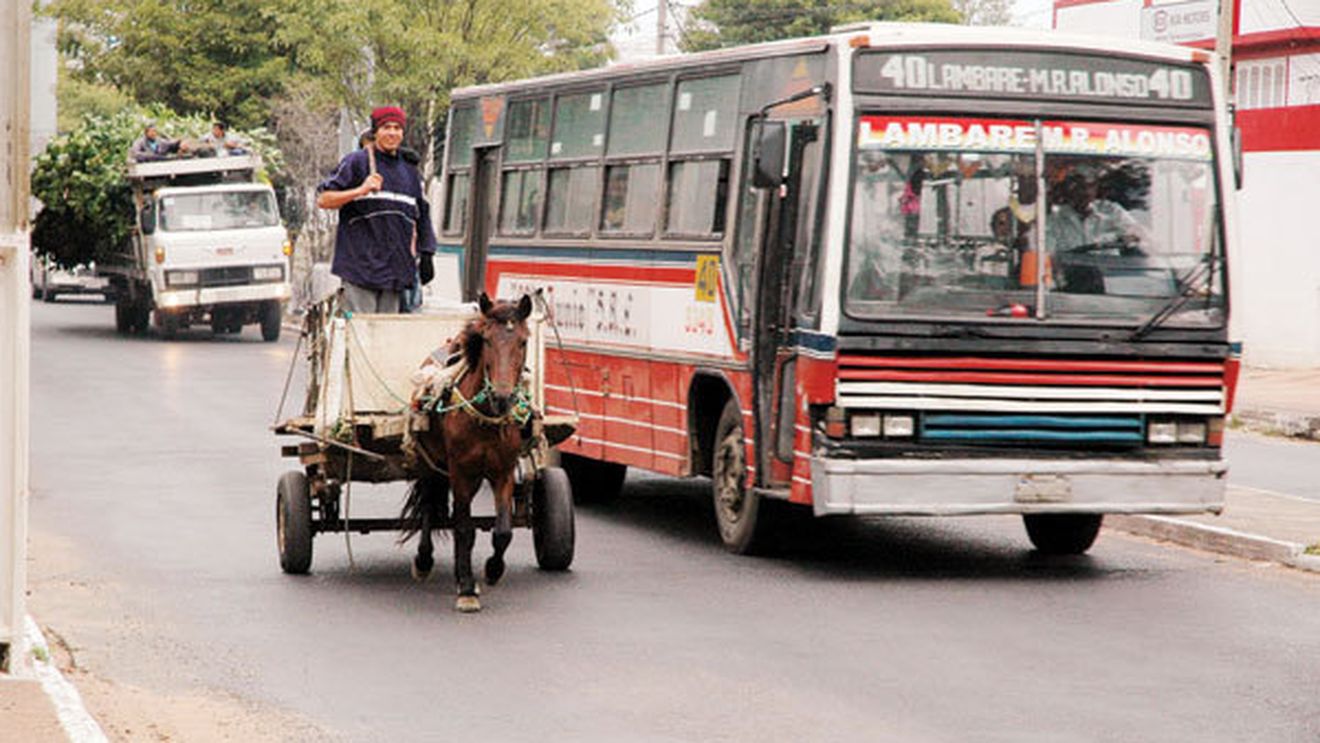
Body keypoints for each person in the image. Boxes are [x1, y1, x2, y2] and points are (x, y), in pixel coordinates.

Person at [317, 106, 436, 314]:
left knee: (386, 340)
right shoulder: (357, 162)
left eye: (397, 128)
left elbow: (423, 216)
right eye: (386, 127)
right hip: (361, 271)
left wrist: (427, 253)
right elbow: (324, 199)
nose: (392, 133)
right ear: (375, 132)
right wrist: (360, 190)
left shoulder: (409, 171)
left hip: (396, 272)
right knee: (362, 338)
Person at [1046, 165, 1148, 254]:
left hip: (1111, 273)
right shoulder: (1055, 220)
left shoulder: (1111, 211)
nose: (1086, 192)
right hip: (1069, 274)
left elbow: (1140, 236)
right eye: (1079, 187)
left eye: (1090, 186)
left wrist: (1119, 238)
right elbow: (1048, 256)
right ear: (1069, 189)